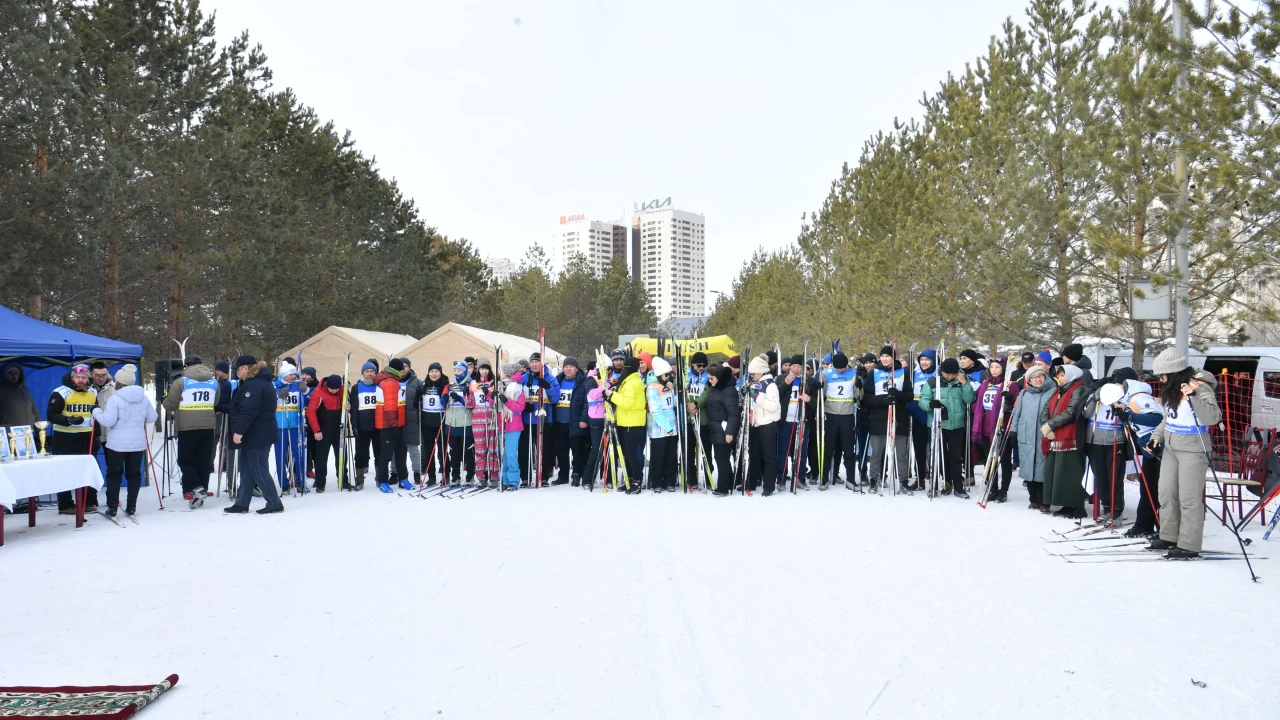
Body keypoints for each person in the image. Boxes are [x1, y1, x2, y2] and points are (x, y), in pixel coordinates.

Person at [1145, 349, 1221, 559]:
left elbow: (1213, 417)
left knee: (1189, 498)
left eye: (1162, 376)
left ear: (1174, 372)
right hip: (1171, 448)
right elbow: (1169, 418)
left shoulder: (1199, 387)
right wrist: (1156, 436)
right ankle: (1169, 535)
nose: (1160, 380)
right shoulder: (1171, 390)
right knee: (1167, 493)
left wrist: (1194, 397)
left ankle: (1189, 544)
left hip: (1194, 450)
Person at [91, 364, 156, 517]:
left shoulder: (115, 399)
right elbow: (152, 417)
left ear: (119, 382)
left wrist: (96, 411)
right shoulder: (143, 398)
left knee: (114, 475)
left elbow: (107, 421)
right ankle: (132, 506)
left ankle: (112, 507)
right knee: (134, 475)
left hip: (116, 445)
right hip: (137, 444)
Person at [225, 356, 284, 514]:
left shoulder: (254, 385)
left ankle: (274, 503)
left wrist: (239, 431)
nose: (236, 373)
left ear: (245, 368)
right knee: (246, 469)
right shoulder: (257, 382)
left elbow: (249, 411)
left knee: (258, 469)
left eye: (237, 369)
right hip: (256, 433)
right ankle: (242, 503)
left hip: (258, 434)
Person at [162, 354, 221, 508]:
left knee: (185, 460)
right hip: (208, 427)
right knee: (203, 460)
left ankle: (196, 487)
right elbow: (215, 402)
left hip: (187, 427)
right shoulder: (214, 382)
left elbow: (170, 405)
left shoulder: (180, 382)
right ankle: (202, 488)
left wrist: (164, 399)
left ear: (186, 366)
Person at [1083, 367, 1138, 523]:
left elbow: (1130, 417)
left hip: (1116, 440)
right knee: (1100, 478)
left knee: (1114, 478)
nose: (1118, 385)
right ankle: (1107, 508)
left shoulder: (1128, 396)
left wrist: (1121, 408)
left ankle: (1116, 510)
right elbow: (1085, 413)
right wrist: (1095, 397)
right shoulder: (1101, 390)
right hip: (1095, 440)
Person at [918, 358, 976, 498]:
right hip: (937, 425)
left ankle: (958, 487)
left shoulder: (961, 380)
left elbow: (969, 399)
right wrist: (931, 404)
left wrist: (964, 383)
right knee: (937, 456)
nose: (950, 376)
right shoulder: (933, 381)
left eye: (952, 374)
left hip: (956, 424)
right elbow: (922, 400)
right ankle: (936, 485)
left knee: (956, 457)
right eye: (947, 374)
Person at [1039, 364, 1090, 518]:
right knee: (1058, 471)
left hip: (1070, 436)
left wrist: (1050, 425)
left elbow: (1071, 411)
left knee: (1070, 471)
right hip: (1056, 435)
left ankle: (1077, 505)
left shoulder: (1078, 389)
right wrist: (1045, 426)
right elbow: (1046, 409)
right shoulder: (1059, 390)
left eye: (1062, 375)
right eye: (1059, 376)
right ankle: (1065, 504)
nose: (1060, 379)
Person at [48, 364, 100, 514]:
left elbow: (95, 414)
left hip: (87, 436)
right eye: (77, 377)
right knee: (65, 471)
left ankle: (89, 501)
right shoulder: (60, 392)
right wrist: (68, 420)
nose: (81, 380)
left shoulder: (93, 391)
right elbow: (51, 415)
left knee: (88, 469)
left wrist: (96, 435)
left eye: (84, 377)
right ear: (72, 378)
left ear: (88, 378)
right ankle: (65, 504)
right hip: (65, 437)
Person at [1118, 375, 1164, 538]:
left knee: (1158, 488)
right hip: (1148, 447)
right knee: (1147, 487)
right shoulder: (1129, 400)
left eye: (1119, 384)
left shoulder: (1140, 397)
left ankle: (1161, 526)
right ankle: (1145, 524)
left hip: (1159, 446)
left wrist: (1130, 416)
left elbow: (1156, 418)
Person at [861, 345, 911, 494]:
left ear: (893, 357)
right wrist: (883, 400)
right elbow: (867, 398)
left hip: (899, 417)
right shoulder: (874, 373)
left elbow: (909, 395)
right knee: (877, 452)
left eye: (887, 356)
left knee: (901, 452)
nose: (884, 359)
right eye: (882, 356)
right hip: (878, 418)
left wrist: (898, 395)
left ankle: (903, 481)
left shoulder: (903, 372)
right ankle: (874, 480)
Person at [972, 356, 1020, 503]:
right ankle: (992, 487)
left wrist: (1010, 399)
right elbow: (976, 401)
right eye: (992, 367)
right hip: (986, 427)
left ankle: (1003, 490)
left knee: (1004, 460)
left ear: (1003, 369)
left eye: (997, 367)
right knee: (989, 459)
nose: (994, 370)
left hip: (1001, 427)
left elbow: (1017, 405)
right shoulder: (985, 383)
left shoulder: (1010, 385)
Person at [1010, 366, 1055, 510]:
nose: (1038, 379)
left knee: (1044, 468)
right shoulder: (1024, 393)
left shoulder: (1053, 391)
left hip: (1044, 435)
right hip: (1026, 435)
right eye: (1034, 377)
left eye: (1040, 376)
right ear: (1028, 380)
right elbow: (1017, 414)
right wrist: (1014, 431)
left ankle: (1045, 501)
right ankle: (1033, 499)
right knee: (1029, 467)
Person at [777, 354, 818, 491]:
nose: (795, 369)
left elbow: (818, 402)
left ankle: (800, 477)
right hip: (785, 421)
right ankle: (781, 479)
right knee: (783, 450)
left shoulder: (809, 381)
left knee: (801, 451)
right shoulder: (782, 378)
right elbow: (774, 396)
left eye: (799, 367)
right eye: (793, 366)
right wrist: (785, 384)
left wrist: (809, 399)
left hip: (802, 421)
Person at [605, 356, 646, 494]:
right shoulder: (628, 380)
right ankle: (629, 479)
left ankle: (636, 480)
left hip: (632, 422)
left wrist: (611, 395)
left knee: (631, 453)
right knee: (626, 454)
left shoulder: (633, 382)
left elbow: (627, 403)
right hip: (625, 421)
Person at [818, 351, 858, 489]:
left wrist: (860, 388)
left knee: (848, 449)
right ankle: (824, 479)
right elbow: (821, 395)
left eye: (842, 368)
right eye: (837, 368)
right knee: (828, 448)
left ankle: (851, 479)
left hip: (847, 415)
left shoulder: (853, 373)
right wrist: (818, 390)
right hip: (831, 414)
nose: (840, 370)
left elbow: (858, 396)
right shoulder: (826, 373)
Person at [520, 353, 560, 487]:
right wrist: (525, 405)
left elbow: (555, 399)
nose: (534, 364)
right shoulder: (524, 379)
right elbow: (517, 397)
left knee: (545, 449)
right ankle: (525, 476)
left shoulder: (550, 378)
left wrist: (547, 387)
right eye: (532, 362)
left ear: (542, 364)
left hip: (544, 419)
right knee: (525, 449)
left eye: (537, 362)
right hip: (527, 419)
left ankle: (544, 475)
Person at [746, 355, 781, 496]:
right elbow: (752, 403)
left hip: (768, 424)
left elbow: (774, 406)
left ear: (761, 371)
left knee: (769, 456)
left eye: (753, 373)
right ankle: (751, 483)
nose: (752, 376)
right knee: (754, 455)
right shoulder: (755, 383)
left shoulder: (771, 385)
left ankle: (769, 486)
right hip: (755, 423)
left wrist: (757, 397)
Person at [374, 359, 410, 492]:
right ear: (398, 370)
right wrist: (394, 423)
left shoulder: (393, 380)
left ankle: (403, 478)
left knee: (401, 452)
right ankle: (383, 480)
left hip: (396, 424)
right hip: (389, 425)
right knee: (387, 454)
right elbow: (389, 407)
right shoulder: (390, 382)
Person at [704, 364, 740, 496]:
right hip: (715, 429)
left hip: (723, 429)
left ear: (719, 378)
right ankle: (729, 482)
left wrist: (729, 431)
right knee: (720, 457)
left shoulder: (729, 390)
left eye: (712, 378)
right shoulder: (714, 388)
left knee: (722, 458)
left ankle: (723, 487)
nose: (710, 381)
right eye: (708, 378)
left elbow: (733, 413)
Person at [644, 357, 679, 492]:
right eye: (666, 375)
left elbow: (672, 402)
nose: (668, 377)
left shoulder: (669, 385)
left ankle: (669, 481)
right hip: (659, 428)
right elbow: (655, 411)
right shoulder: (652, 388)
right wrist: (667, 427)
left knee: (671, 456)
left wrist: (680, 397)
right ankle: (657, 482)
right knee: (658, 457)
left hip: (672, 426)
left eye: (669, 374)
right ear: (659, 374)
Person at [306, 374, 344, 492]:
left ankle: (343, 480)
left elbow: (346, 405)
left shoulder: (342, 390)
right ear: (327, 386)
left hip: (338, 429)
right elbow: (311, 412)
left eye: (337, 389)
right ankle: (321, 483)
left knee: (342, 456)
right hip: (323, 429)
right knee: (321, 458)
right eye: (332, 389)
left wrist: (348, 406)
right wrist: (316, 430)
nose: (334, 391)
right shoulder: (318, 392)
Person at [552, 356, 586, 485]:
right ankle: (563, 475)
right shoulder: (558, 381)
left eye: (571, 366)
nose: (568, 369)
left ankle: (576, 474)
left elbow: (585, 403)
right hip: (560, 422)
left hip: (575, 422)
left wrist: (583, 419)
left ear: (576, 369)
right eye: (566, 366)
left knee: (577, 451)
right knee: (561, 451)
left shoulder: (582, 382)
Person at [346, 361, 380, 491]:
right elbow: (354, 408)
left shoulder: (379, 386)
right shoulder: (356, 387)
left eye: (372, 371)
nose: (370, 374)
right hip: (362, 427)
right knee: (360, 455)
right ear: (362, 373)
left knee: (379, 453)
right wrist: (354, 425)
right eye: (367, 371)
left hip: (378, 426)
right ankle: (359, 479)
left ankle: (380, 477)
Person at [273, 362, 306, 494]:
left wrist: (306, 391)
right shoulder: (274, 385)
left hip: (295, 426)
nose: (294, 376)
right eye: (291, 374)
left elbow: (309, 401)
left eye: (294, 374)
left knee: (299, 455)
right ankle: (284, 484)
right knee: (281, 456)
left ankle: (300, 482)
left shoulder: (297, 385)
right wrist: (277, 395)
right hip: (280, 426)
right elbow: (266, 401)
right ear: (284, 374)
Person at [907, 350, 937, 488]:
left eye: (927, 360)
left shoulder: (938, 374)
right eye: (922, 360)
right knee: (919, 450)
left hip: (933, 416)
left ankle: (935, 477)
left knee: (934, 449)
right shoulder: (914, 375)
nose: (924, 362)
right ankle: (919, 479)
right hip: (917, 415)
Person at [470, 359, 501, 489]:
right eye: (482, 368)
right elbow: (470, 403)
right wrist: (465, 397)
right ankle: (481, 477)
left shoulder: (494, 382)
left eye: (486, 368)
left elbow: (496, 401)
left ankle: (494, 476)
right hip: (477, 419)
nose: (484, 371)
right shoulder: (472, 383)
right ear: (478, 369)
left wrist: (489, 394)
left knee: (493, 449)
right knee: (480, 450)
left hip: (491, 418)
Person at [683, 351, 713, 483]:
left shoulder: (708, 376)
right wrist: (688, 405)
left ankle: (708, 476)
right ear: (692, 364)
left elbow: (708, 393)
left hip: (703, 419)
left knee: (706, 449)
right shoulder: (685, 375)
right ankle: (691, 478)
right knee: (689, 451)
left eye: (704, 365)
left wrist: (696, 405)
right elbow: (681, 393)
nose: (701, 368)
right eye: (698, 365)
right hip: (689, 419)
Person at [444, 360, 475, 484]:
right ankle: (455, 476)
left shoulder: (470, 384)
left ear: (465, 371)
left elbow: (472, 404)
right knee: (454, 451)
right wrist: (444, 399)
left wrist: (461, 399)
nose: (457, 373)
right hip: (451, 422)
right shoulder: (450, 385)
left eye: (460, 370)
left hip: (465, 422)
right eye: (455, 370)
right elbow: (443, 403)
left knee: (467, 451)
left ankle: (470, 476)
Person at [419, 362, 448, 486]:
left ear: (440, 373)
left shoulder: (445, 385)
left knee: (443, 450)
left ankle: (445, 475)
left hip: (441, 421)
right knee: (429, 450)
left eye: (436, 371)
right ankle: (431, 476)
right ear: (428, 372)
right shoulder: (423, 385)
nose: (434, 374)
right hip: (427, 423)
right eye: (432, 371)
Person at [580, 366, 607, 491]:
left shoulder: (610, 377)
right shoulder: (591, 379)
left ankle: (609, 478)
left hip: (610, 417)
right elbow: (593, 394)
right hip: (596, 417)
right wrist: (607, 385)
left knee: (610, 450)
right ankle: (587, 479)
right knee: (596, 449)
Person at [500, 370, 526, 490]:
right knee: (503, 454)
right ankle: (504, 480)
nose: (501, 374)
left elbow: (520, 407)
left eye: (503, 372)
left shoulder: (517, 389)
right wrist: (490, 397)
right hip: (501, 423)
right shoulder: (500, 386)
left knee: (510, 454)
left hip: (514, 424)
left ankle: (513, 480)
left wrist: (506, 401)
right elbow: (494, 406)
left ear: (509, 374)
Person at [399, 358, 424, 485]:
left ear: (409, 367)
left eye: (405, 366)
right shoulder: (393, 382)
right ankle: (395, 472)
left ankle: (417, 472)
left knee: (413, 449)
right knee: (396, 450)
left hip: (412, 420)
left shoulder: (418, 383)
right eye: (401, 367)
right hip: (397, 420)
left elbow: (422, 403)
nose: (403, 369)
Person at [89, 362, 113, 477]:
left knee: (113, 466)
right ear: (91, 374)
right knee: (91, 462)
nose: (101, 378)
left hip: (109, 432)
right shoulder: (85, 388)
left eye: (104, 375)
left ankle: (112, 491)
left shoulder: (115, 388)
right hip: (91, 431)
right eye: (97, 375)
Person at [0, 362, 40, 430]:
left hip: (27, 431)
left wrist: (39, 429)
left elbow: (34, 410)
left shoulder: (25, 390)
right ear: (4, 375)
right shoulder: (1, 390)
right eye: (10, 373)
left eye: (16, 373)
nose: (14, 375)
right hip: (9, 432)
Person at [299, 366, 318, 479]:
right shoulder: (298, 385)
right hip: (300, 418)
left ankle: (311, 468)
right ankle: (301, 469)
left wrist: (306, 392)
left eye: (307, 374)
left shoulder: (317, 387)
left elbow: (311, 400)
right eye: (303, 374)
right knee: (300, 446)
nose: (304, 377)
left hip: (313, 420)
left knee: (312, 447)